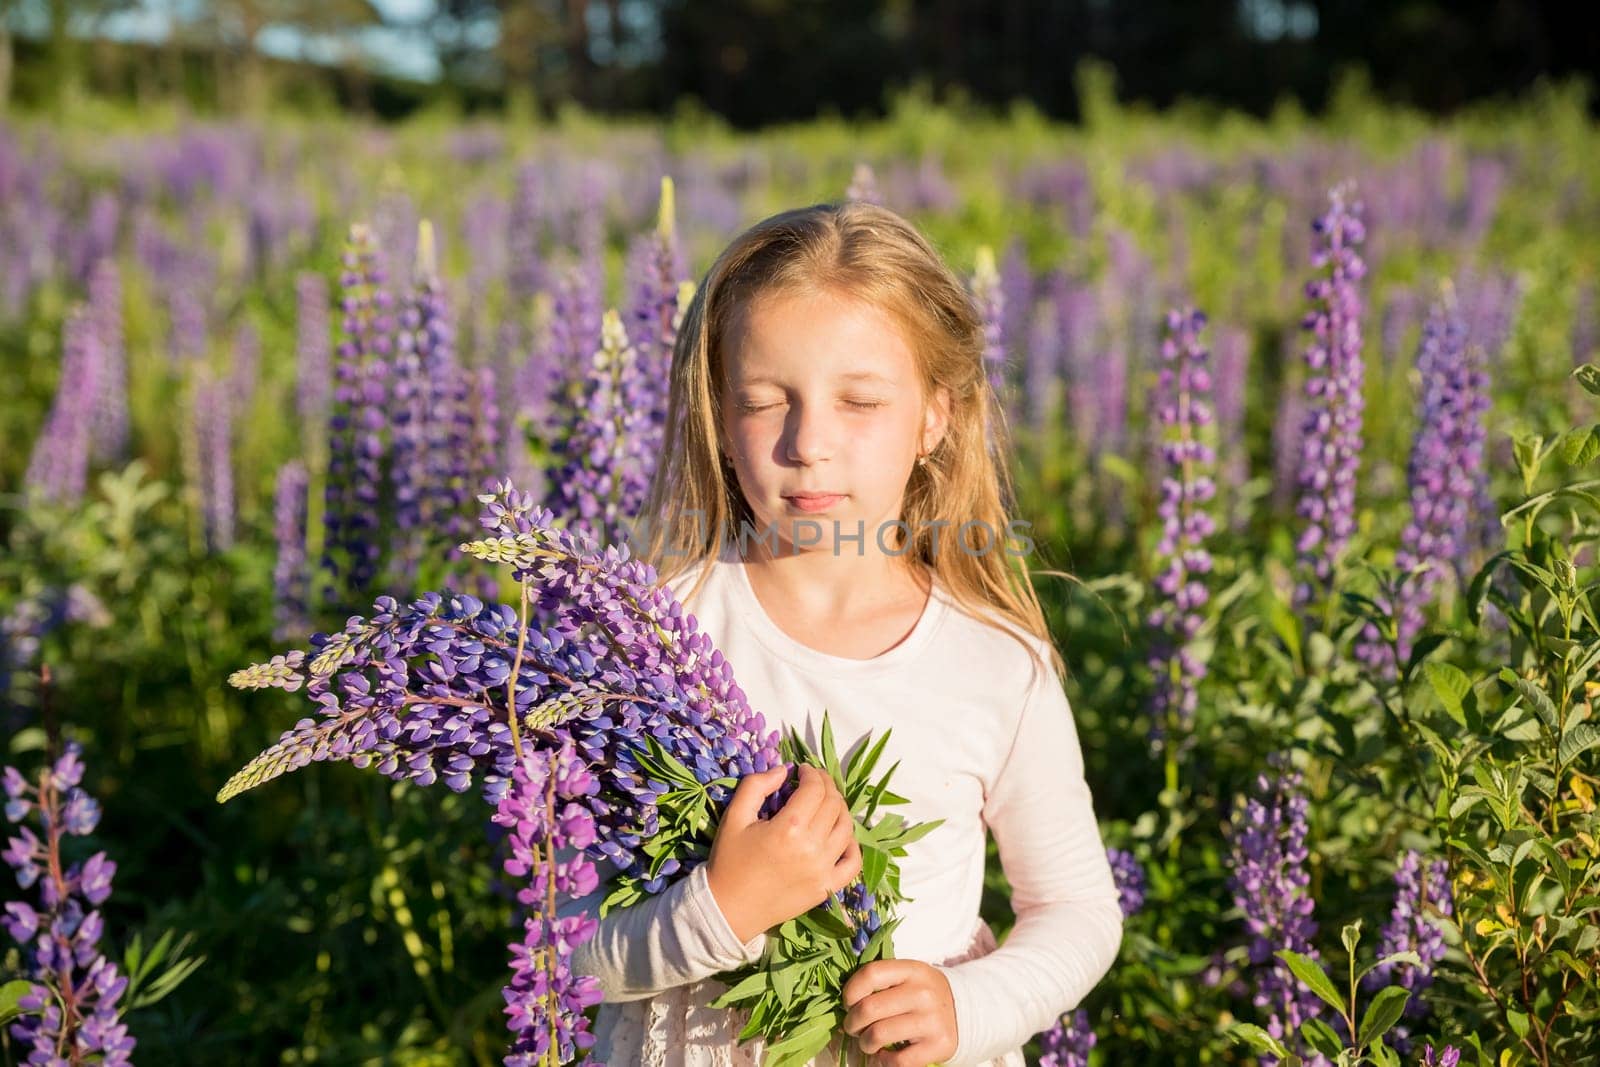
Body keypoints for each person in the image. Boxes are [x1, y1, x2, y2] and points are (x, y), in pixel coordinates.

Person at [557, 201, 1123, 1066]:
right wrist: (723, 906)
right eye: (762, 400)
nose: (809, 442)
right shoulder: (650, 638)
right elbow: (562, 948)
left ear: (934, 415)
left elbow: (1078, 910)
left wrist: (966, 1008)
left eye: (859, 400)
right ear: (718, 416)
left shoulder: (994, 663)